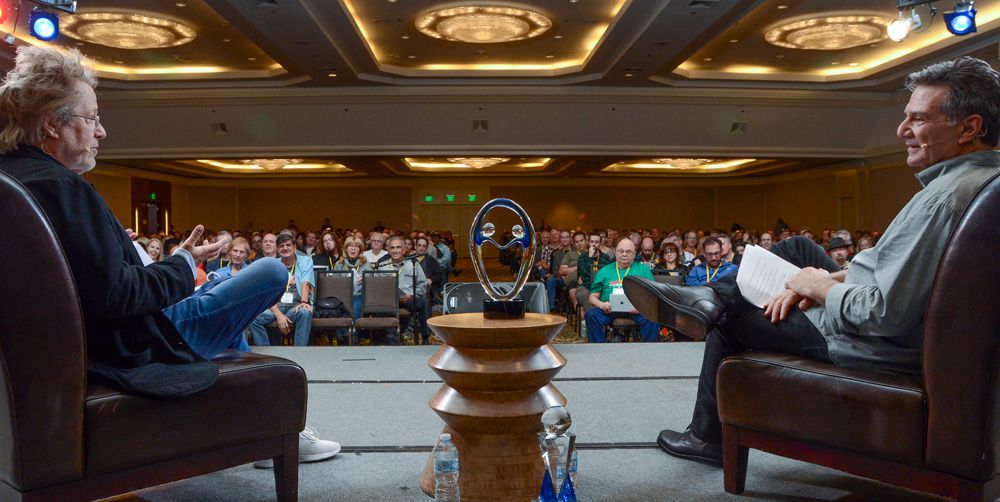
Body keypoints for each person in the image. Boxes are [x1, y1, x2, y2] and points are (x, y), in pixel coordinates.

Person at [623, 56, 1000, 467]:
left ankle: (706, 434)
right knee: (798, 248)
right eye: (905, 117)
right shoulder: (978, 184)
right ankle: (705, 297)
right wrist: (827, 275)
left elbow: (884, 313)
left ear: (970, 127)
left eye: (919, 119)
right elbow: (908, 280)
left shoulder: (943, 200)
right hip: (876, 320)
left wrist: (816, 286)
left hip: (865, 342)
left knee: (732, 313)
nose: (902, 130)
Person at [0, 46, 339, 464]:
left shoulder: (15, 180)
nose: (101, 132)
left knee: (220, 289)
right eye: (93, 118)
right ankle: (269, 428)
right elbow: (118, 295)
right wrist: (181, 264)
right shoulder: (63, 188)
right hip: (134, 345)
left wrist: (168, 261)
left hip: (90, 346)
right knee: (268, 271)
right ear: (53, 124)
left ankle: (253, 425)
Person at [584, 238, 660, 343]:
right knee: (591, 315)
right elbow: (592, 297)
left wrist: (640, 306)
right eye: (621, 251)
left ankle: (648, 350)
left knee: (653, 316)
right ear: (615, 253)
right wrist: (602, 305)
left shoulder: (643, 270)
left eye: (628, 252)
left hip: (635, 309)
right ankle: (598, 348)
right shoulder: (604, 271)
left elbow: (653, 295)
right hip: (609, 309)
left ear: (634, 254)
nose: (624, 254)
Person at [249, 233, 314, 347]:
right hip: (275, 307)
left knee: (305, 312)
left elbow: (306, 282)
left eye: (288, 245)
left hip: (295, 306)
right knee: (253, 317)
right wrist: (279, 315)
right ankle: (266, 354)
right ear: (278, 249)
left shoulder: (305, 261)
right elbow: (268, 294)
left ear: (294, 247)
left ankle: (300, 352)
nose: (285, 248)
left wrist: (304, 302)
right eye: (281, 246)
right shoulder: (273, 265)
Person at [333, 236, 370, 321]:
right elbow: (333, 283)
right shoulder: (339, 264)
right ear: (345, 249)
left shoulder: (366, 265)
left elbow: (372, 285)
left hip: (359, 295)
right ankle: (342, 333)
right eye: (350, 246)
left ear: (360, 250)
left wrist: (365, 281)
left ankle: (355, 333)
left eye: (356, 246)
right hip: (341, 296)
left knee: (355, 306)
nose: (353, 249)